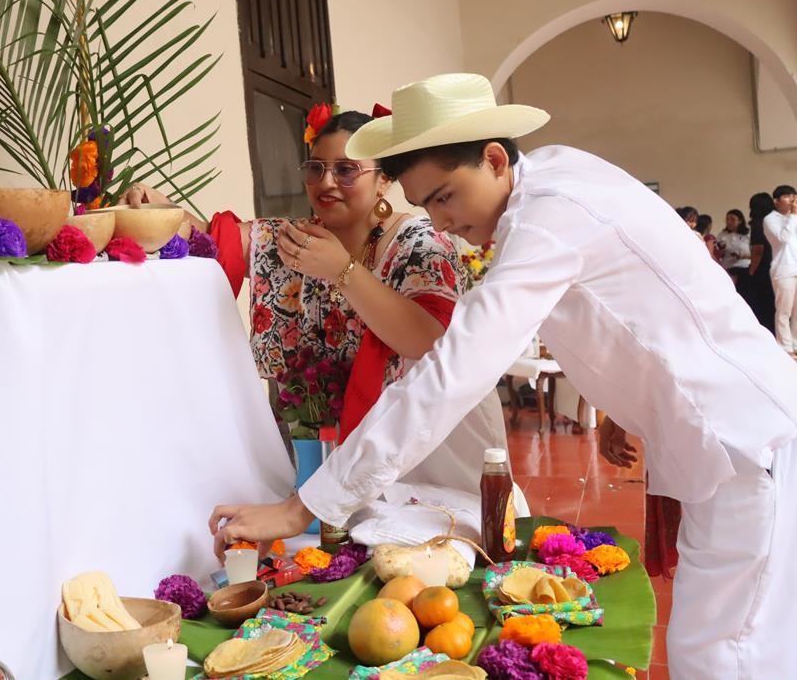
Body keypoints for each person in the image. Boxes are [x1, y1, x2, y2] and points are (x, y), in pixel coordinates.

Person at [207, 74, 797, 678]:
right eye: (426, 205)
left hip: (746, 440)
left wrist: (303, 507)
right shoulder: (554, 179)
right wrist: (624, 403)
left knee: (728, 653)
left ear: (493, 159)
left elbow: (451, 372)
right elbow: (635, 303)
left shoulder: (546, 218)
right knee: (723, 642)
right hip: (732, 436)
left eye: (444, 198)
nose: (439, 222)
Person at [124, 108, 523, 503]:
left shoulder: (418, 242)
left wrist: (344, 271)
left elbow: (429, 339)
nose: (326, 182)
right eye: (316, 168)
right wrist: (161, 207)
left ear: (383, 180)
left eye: (346, 170)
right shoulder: (294, 240)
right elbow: (213, 240)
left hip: (408, 455)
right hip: (311, 455)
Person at [764, 185, 797, 357]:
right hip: (783, 269)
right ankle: (785, 348)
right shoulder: (771, 219)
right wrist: (793, 215)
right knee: (784, 311)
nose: (792, 199)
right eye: (787, 196)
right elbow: (782, 238)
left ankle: (795, 344)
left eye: (793, 195)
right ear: (776, 201)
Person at [748, 192, 777, 334]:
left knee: (761, 301)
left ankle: (764, 331)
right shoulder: (774, 221)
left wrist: (752, 270)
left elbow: (758, 249)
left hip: (763, 267)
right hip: (776, 264)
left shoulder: (758, 223)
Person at [717, 209, 751, 292]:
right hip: (728, 267)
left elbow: (755, 252)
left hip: (744, 267)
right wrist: (721, 248)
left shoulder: (748, 233)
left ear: (740, 221)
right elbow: (718, 253)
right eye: (727, 219)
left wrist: (743, 256)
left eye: (732, 219)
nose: (729, 222)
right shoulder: (723, 234)